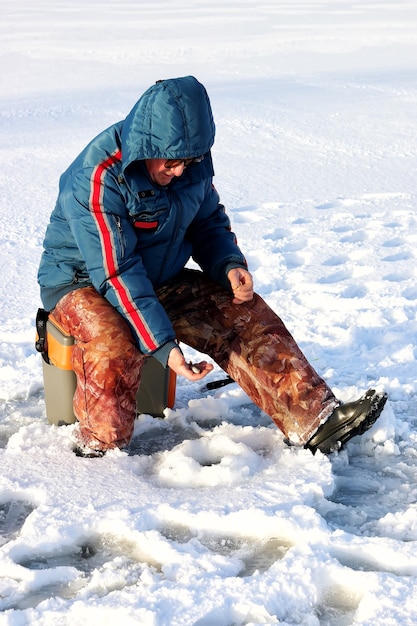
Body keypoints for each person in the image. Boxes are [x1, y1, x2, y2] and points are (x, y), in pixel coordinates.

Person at [37, 75, 387, 458]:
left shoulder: (192, 163)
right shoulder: (99, 177)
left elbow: (207, 222)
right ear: (145, 148)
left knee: (242, 313)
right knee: (112, 339)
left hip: (156, 278)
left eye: (189, 161)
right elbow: (117, 272)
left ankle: (314, 420)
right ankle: (101, 451)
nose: (181, 171)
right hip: (83, 282)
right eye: (171, 162)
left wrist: (227, 264)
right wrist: (165, 347)